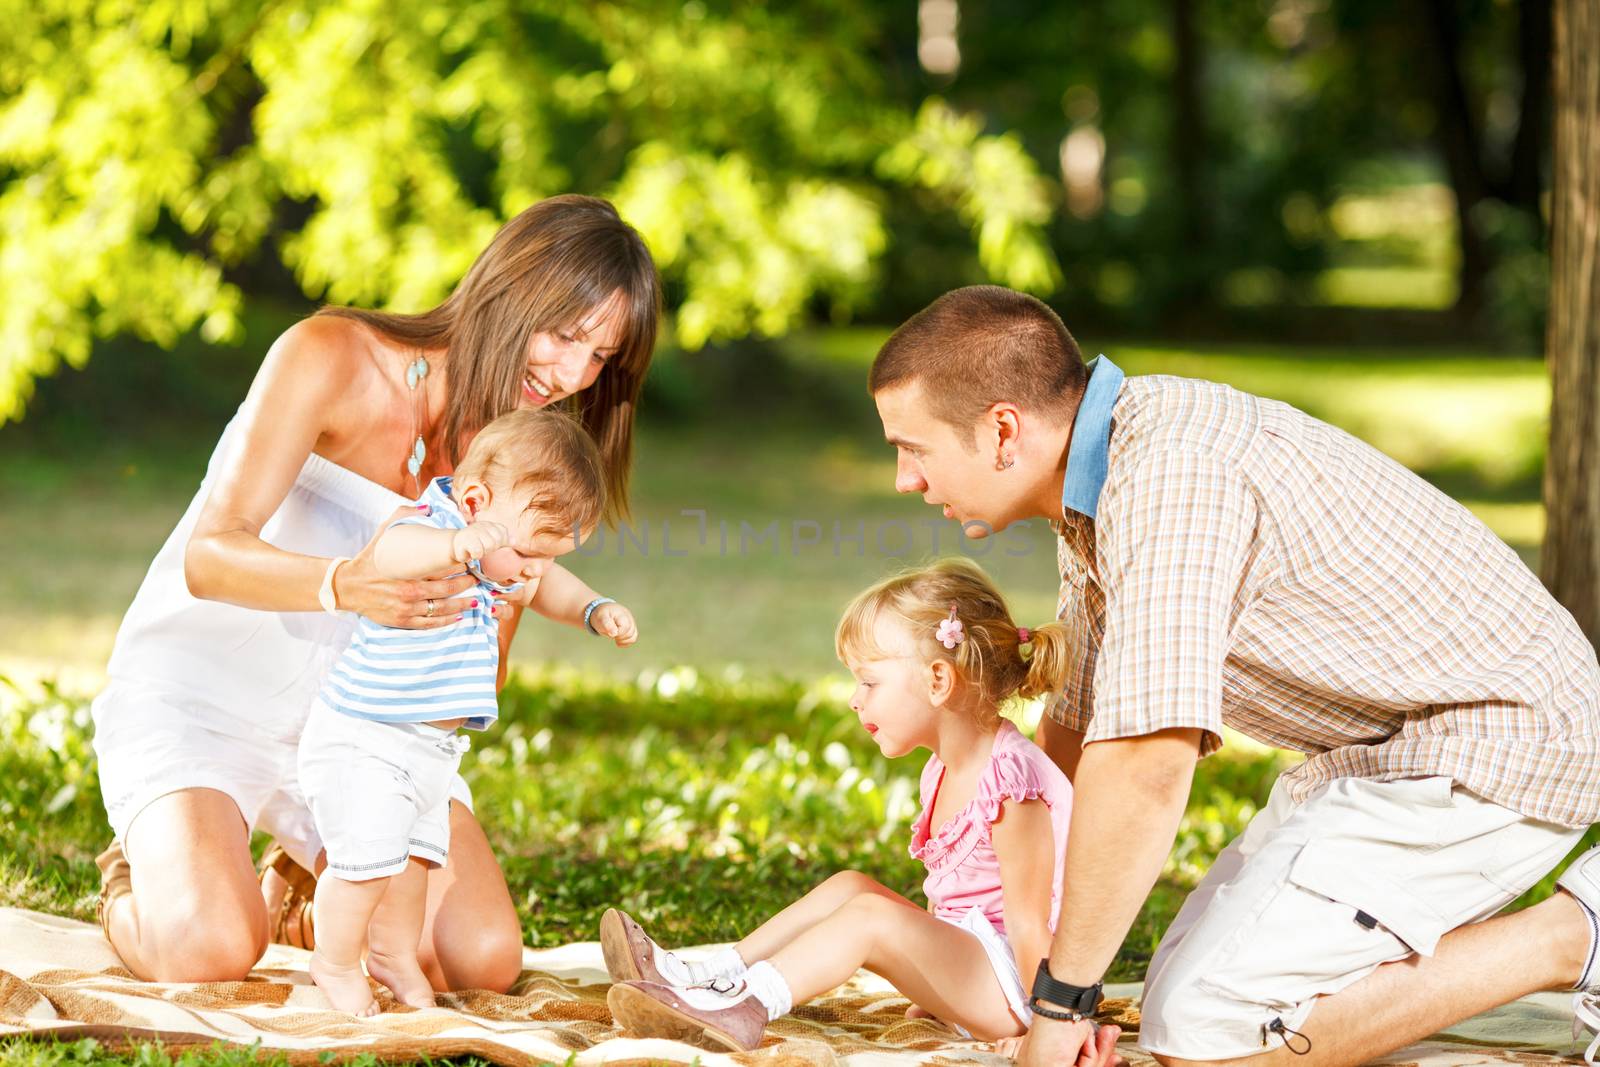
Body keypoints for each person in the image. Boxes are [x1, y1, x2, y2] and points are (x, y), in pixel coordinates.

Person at [868, 284, 1600, 1067]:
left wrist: (1060, 1003)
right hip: (1382, 756)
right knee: (1172, 1004)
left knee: (1205, 1032)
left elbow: (1147, 764)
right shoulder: (1097, 481)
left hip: (1503, 741)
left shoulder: (1168, 478)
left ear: (1003, 429)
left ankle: (1575, 935)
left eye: (913, 447)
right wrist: (1032, 956)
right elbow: (1074, 737)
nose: (907, 480)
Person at [90, 194, 660, 990]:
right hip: (203, 701)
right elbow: (209, 558)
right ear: (507, 288)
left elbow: (476, 686)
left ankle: (303, 881)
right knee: (208, 949)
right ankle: (129, 879)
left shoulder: (521, 463)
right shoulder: (333, 355)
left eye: (600, 357)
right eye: (564, 334)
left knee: (476, 959)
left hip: (366, 733)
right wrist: (348, 585)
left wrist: (513, 591)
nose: (572, 375)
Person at [604, 558, 1113, 1058]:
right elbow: (952, 902)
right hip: (977, 970)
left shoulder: (1011, 784)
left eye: (869, 682)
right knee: (852, 886)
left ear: (938, 680)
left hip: (1020, 990)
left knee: (872, 917)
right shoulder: (942, 769)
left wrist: (1050, 1028)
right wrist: (938, 989)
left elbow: (1030, 924)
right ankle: (708, 975)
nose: (854, 699)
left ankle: (741, 1008)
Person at [301, 408, 636, 1014]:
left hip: (430, 752)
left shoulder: (507, 557)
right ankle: (334, 961)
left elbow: (550, 585)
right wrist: (454, 545)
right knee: (366, 866)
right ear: (476, 502)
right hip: (367, 738)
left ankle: (393, 956)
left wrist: (593, 608)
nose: (533, 571)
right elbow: (392, 554)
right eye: (530, 553)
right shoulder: (429, 526)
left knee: (413, 866)